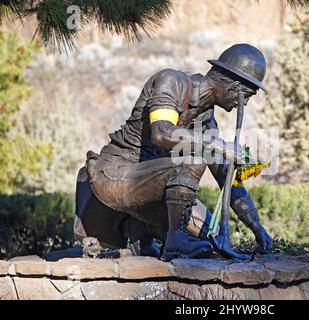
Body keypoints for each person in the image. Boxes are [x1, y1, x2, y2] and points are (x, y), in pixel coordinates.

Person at [74, 43, 273, 261]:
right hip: (117, 175)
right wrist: (219, 146)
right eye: (247, 96)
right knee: (193, 160)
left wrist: (257, 227)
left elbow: (228, 179)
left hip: (151, 190)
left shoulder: (206, 122)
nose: (243, 104)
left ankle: (141, 231)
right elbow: (161, 133)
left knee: (209, 236)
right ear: (235, 86)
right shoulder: (172, 82)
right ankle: (174, 242)